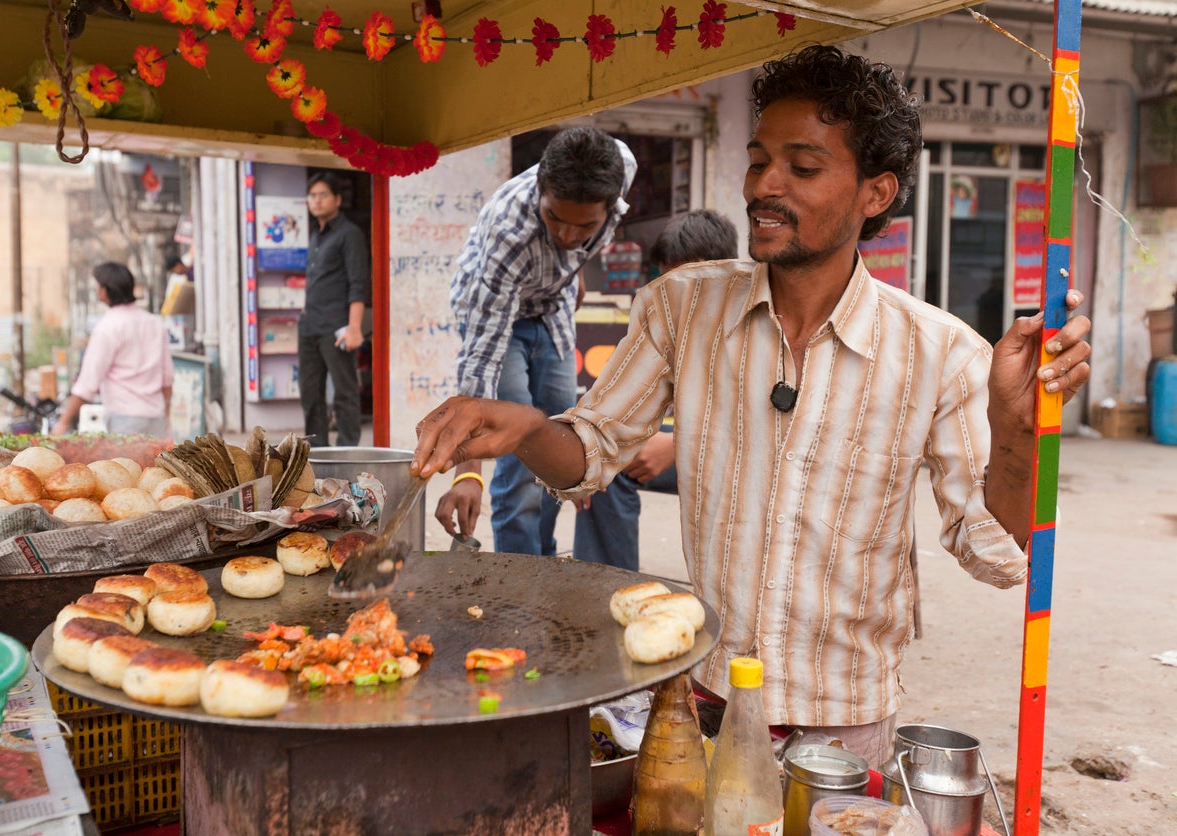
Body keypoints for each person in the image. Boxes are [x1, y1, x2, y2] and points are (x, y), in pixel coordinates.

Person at [411, 45, 1091, 767]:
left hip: (843, 725)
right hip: (702, 699)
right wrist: (528, 430)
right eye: (758, 159)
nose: (765, 185)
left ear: (876, 192)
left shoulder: (942, 351)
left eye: (802, 168)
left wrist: (1015, 432)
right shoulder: (683, 305)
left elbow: (995, 552)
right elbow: (591, 454)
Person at [434, 126, 637, 556]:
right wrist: (467, 472)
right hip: (495, 320)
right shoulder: (510, 231)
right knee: (519, 460)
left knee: (558, 444)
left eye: (584, 226)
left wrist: (572, 268)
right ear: (539, 191)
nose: (566, 236)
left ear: (610, 205)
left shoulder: (624, 164)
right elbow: (482, 358)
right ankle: (518, 580)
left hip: (552, 310)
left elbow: (572, 239)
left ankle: (540, 563)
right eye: (554, 218)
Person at [573, 210, 739, 570]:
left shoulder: (753, 321)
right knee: (608, 466)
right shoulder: (665, 322)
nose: (674, 296)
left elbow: (765, 429)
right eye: (667, 284)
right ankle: (606, 586)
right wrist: (593, 457)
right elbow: (623, 403)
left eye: (688, 283)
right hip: (686, 440)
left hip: (739, 459)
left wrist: (680, 446)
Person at [53, 262, 174, 437]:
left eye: (98, 286)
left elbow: (88, 382)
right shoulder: (154, 323)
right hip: (156, 418)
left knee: (128, 465)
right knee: (155, 465)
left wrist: (63, 422)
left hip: (125, 419)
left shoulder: (107, 327)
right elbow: (167, 377)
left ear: (105, 290)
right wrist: (166, 416)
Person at [299, 171, 370, 448]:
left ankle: (347, 454)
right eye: (312, 196)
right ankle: (316, 457)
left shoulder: (349, 235)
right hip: (309, 327)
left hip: (336, 327)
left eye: (323, 195)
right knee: (311, 395)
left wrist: (355, 327)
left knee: (345, 394)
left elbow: (357, 284)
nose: (316, 201)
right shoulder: (316, 236)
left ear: (338, 200)